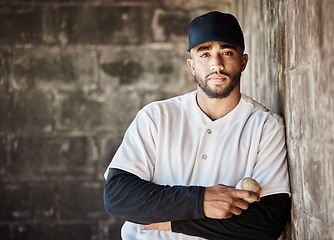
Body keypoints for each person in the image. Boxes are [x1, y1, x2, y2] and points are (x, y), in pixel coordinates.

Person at [104, 11, 291, 240]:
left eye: (226, 52)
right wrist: (200, 201)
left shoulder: (265, 127)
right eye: (205, 54)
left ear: (243, 62)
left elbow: (266, 224)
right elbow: (118, 197)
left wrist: (172, 222)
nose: (217, 64)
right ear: (192, 65)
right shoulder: (156, 116)